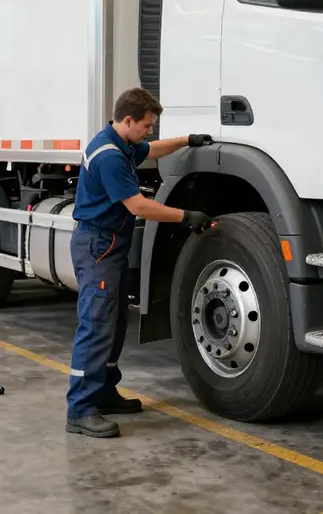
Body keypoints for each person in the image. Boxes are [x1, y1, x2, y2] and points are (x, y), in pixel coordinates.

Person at [65, 87, 213, 438]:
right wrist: (185, 216)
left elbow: (153, 149)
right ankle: (80, 409)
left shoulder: (123, 142)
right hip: (97, 245)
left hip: (110, 243)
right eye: (147, 125)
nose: (149, 131)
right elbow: (139, 207)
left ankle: (104, 392)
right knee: (96, 325)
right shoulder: (109, 156)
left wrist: (187, 140)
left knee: (114, 324)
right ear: (128, 120)